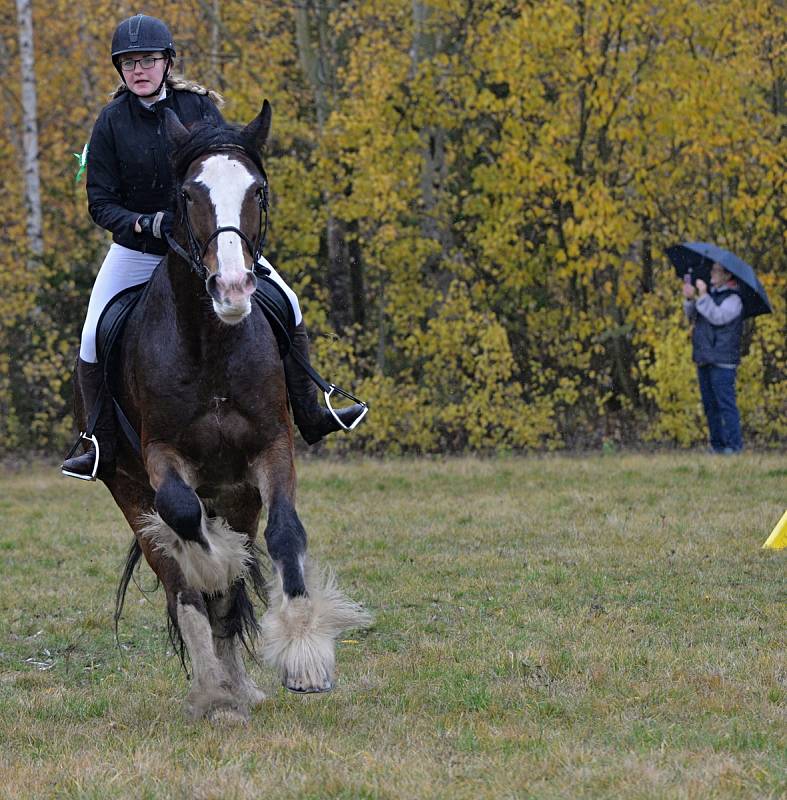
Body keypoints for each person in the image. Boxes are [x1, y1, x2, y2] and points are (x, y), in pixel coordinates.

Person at [62, 14, 365, 480]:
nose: (138, 70)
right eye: (128, 63)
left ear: (166, 62)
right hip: (141, 250)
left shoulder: (198, 108)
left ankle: (312, 408)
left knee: (288, 300)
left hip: (213, 242)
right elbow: (100, 202)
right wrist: (146, 224)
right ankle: (97, 442)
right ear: (120, 70)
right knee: (90, 334)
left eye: (147, 60)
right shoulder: (110, 124)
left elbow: (228, 169)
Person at [682, 262, 744, 454]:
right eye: (713, 270)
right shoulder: (710, 295)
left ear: (727, 275)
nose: (712, 274)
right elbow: (692, 315)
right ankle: (717, 445)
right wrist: (689, 299)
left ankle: (734, 446)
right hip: (704, 357)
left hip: (723, 360)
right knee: (710, 406)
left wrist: (703, 296)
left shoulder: (734, 299)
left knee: (726, 405)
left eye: (716, 270)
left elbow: (718, 317)